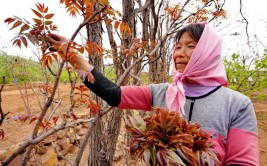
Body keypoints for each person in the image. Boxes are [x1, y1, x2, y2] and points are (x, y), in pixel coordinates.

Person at [46, 23, 259, 165]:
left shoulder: (237, 104)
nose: (180, 54)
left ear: (207, 52)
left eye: (190, 46)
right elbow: (114, 94)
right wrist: (73, 57)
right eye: (177, 47)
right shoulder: (162, 92)